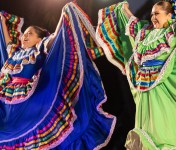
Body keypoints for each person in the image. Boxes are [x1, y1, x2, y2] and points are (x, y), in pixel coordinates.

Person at [96, 0, 176, 149]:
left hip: (164, 93)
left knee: (165, 136)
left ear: (169, 15)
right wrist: (124, 9)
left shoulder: (172, 31)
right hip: (146, 98)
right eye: (152, 14)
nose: (153, 17)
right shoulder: (144, 34)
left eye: (157, 14)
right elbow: (131, 22)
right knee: (148, 136)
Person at [0, 2, 116, 149]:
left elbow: (57, 37)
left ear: (39, 38)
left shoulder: (39, 47)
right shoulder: (14, 54)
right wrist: (2, 21)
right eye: (24, 34)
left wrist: (64, 14)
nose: (25, 36)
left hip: (31, 99)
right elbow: (7, 41)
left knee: (34, 130)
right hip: (9, 103)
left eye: (30, 33)